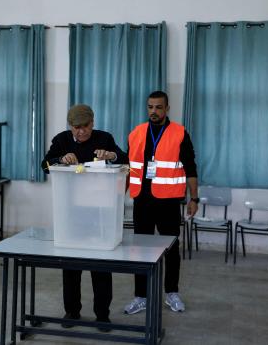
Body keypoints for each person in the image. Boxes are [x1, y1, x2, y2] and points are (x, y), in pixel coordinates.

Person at [41, 104, 128, 330]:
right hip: (70, 212)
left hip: (99, 212)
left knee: (100, 266)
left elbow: (125, 160)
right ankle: (72, 312)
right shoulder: (61, 140)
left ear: (93, 123)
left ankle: (102, 315)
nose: (81, 132)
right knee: (70, 266)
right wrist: (60, 158)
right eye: (76, 128)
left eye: (85, 127)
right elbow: (45, 164)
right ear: (70, 126)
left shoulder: (104, 138)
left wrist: (111, 155)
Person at [124, 90, 199, 315]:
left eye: (158, 107)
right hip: (142, 201)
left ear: (167, 108)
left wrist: (194, 198)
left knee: (172, 249)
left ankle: (172, 293)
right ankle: (141, 296)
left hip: (168, 201)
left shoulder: (179, 133)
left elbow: (191, 168)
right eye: (150, 107)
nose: (154, 111)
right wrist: (119, 195)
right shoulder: (136, 133)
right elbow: (129, 168)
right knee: (140, 250)